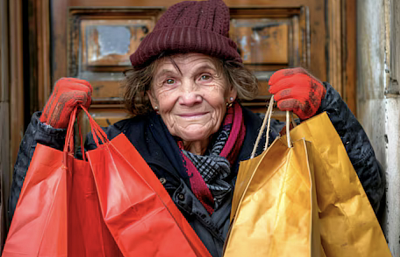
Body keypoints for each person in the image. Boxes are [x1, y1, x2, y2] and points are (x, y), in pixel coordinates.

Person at [9, 0, 384, 256]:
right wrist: (48, 135)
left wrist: (328, 112)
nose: (188, 97)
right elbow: (37, 222)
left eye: (204, 77)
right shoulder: (115, 151)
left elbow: (357, 206)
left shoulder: (275, 146)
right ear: (152, 96)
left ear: (231, 88)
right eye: (169, 81)